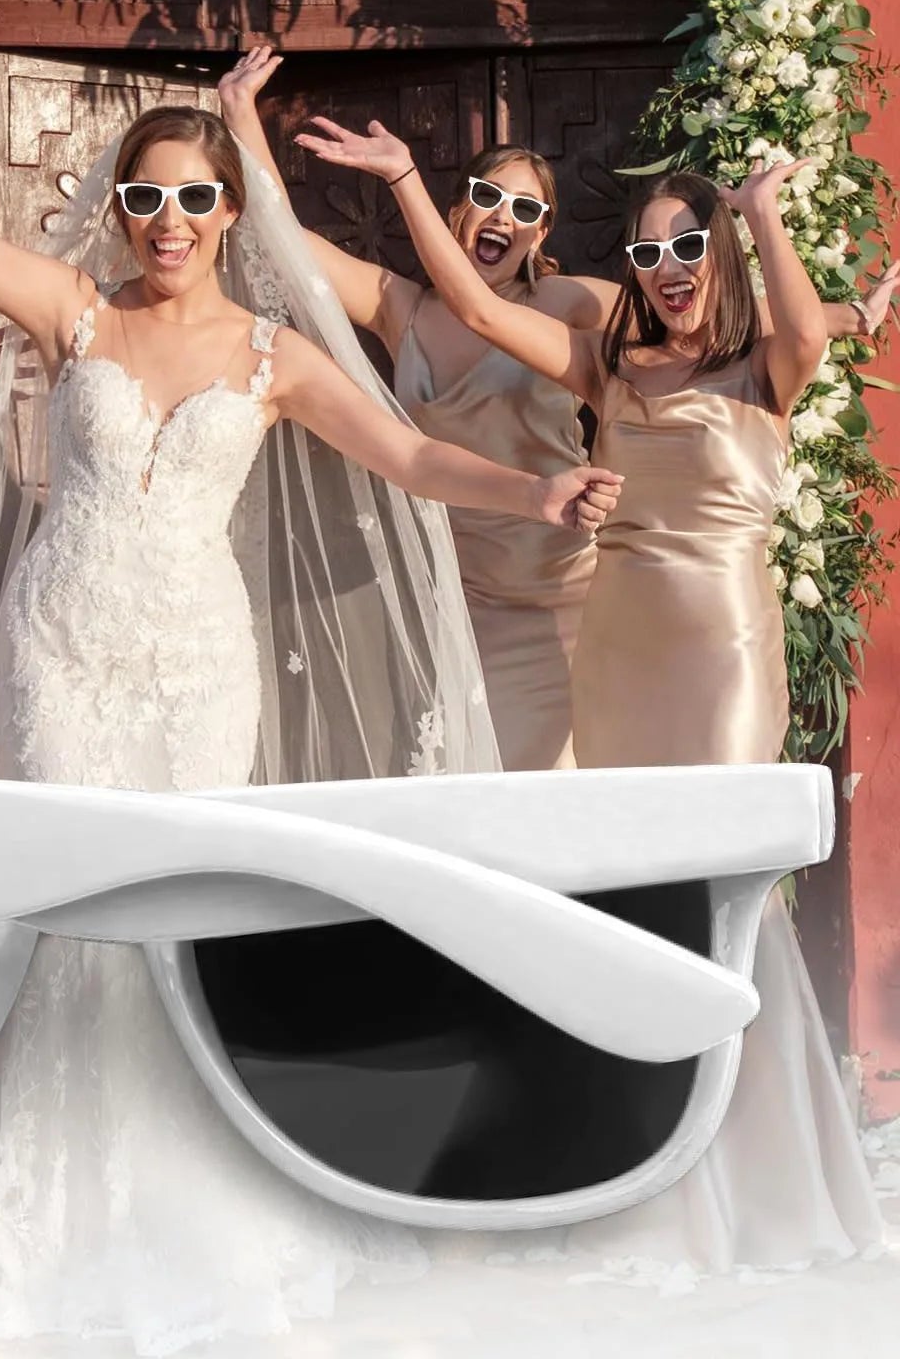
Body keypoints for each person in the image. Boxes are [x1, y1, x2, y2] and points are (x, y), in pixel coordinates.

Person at [0, 8, 623, 1351]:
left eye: (194, 196)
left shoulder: (273, 355)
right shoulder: (72, 312)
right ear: (118, 211)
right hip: (60, 642)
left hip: (195, 658)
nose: (169, 218)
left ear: (230, 211)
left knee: (186, 919)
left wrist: (538, 493)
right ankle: (68, 1224)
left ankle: (204, 1213)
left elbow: (410, 461)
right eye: (146, 196)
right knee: (73, 915)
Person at [300, 110, 883, 1272]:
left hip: (720, 654)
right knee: (622, 883)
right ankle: (625, 1151)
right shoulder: (609, 361)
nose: (664, 271)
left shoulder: (769, 361)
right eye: (645, 253)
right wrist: (412, 179)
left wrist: (761, 216)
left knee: (717, 885)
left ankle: (743, 1161)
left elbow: (810, 320)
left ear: (715, 257)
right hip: (611, 648)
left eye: (685, 248)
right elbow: (470, 309)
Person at [219, 46, 897, 771]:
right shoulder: (401, 309)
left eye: (527, 209)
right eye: (488, 196)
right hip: (468, 594)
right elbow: (293, 245)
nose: (504, 218)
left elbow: (726, 306)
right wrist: (239, 120)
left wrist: (848, 313)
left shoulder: (574, 307)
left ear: (542, 234)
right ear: (456, 209)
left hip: (572, 593)